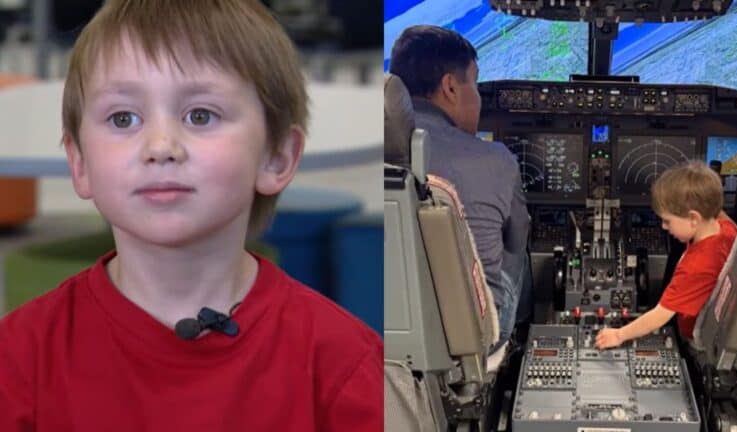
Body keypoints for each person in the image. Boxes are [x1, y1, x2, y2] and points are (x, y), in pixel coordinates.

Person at [0, 1, 382, 430]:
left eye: (200, 115)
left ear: (276, 157)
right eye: (123, 118)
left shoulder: (344, 364)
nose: (160, 145)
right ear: (80, 162)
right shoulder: (18, 362)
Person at [389, 25, 531, 351]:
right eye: (475, 84)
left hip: (388, 333)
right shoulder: (496, 159)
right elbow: (516, 238)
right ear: (450, 87)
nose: (478, 97)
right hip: (468, 342)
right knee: (517, 241)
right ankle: (516, 348)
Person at [596, 160, 737, 349]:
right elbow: (713, 206)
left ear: (694, 218)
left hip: (694, 341)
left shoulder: (696, 267)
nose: (664, 227)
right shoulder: (726, 228)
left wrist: (619, 335)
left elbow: (660, 316)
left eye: (668, 221)